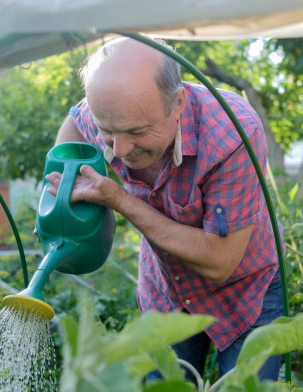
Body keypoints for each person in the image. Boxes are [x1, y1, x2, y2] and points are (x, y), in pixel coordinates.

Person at [46, 37, 285, 382]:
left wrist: (120, 200)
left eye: (137, 132)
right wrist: (59, 203)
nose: (122, 148)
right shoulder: (113, 109)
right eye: (107, 132)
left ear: (178, 103)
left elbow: (220, 261)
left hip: (246, 292)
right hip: (167, 289)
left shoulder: (234, 133)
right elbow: (75, 124)